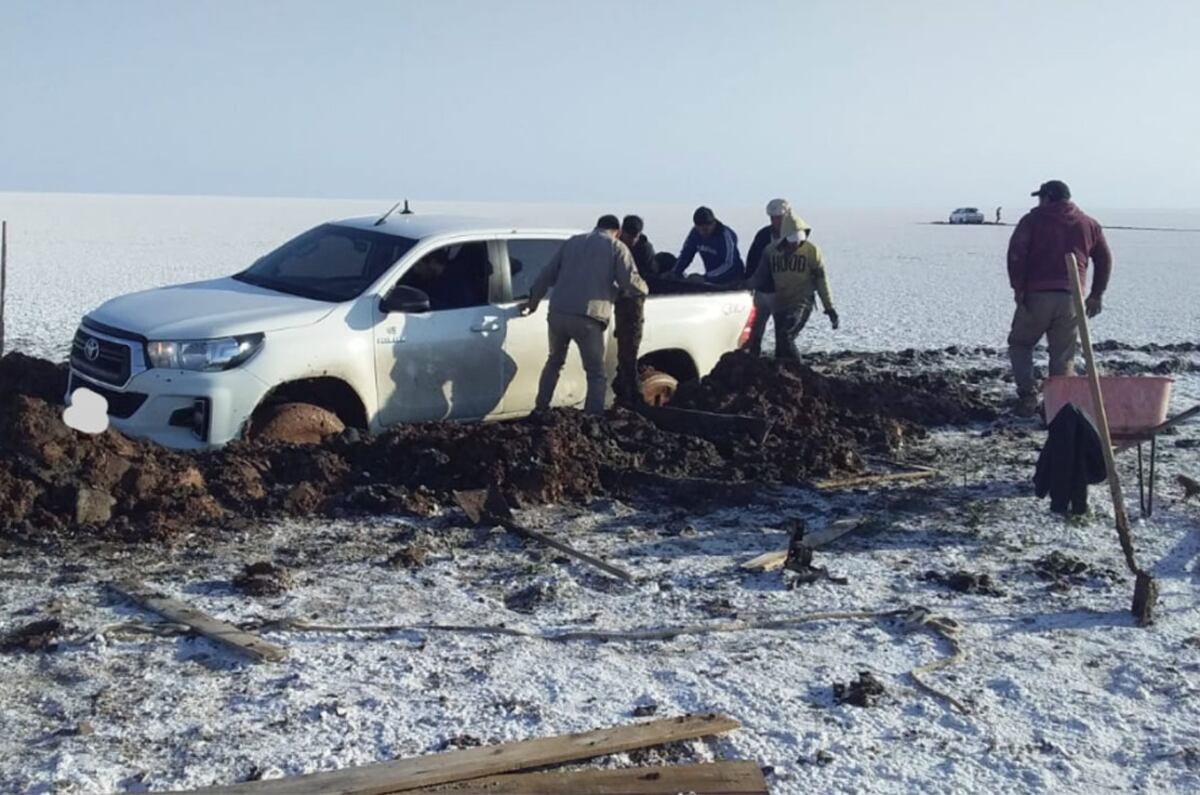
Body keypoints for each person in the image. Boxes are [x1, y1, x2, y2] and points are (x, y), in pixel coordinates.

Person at [1006, 180, 1112, 417]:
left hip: (1036, 295)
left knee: (1021, 343)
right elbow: (1104, 259)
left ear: (1048, 198)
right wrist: (1096, 294)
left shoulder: (1032, 221)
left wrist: (1018, 288)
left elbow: (1016, 254)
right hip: (1071, 298)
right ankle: (1058, 406)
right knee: (1063, 353)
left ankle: (1027, 395)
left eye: (1041, 197)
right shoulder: (1088, 223)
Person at [524, 215, 647, 415]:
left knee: (554, 362)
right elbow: (629, 282)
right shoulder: (616, 247)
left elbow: (546, 275)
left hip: (558, 313)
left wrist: (533, 302)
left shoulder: (572, 242)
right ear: (617, 231)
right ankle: (593, 419)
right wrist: (645, 289)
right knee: (595, 373)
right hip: (588, 318)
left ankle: (540, 409)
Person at [751, 208, 837, 360]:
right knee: (780, 346)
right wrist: (742, 285)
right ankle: (780, 373)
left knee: (786, 335)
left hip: (801, 301)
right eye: (791, 243)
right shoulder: (770, 251)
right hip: (781, 301)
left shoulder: (811, 252)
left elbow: (821, 280)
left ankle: (800, 372)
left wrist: (829, 307)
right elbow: (759, 276)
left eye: (798, 242)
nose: (795, 246)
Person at [613, 215, 656, 405]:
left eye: (635, 236)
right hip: (618, 300)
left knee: (629, 354)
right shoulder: (615, 246)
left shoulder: (645, 249)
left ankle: (632, 397)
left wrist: (640, 289)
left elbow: (650, 275)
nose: (632, 240)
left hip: (634, 302)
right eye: (630, 236)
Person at [743, 198, 790, 355]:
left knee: (781, 331)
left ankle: (781, 362)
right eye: (773, 217)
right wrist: (749, 282)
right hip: (762, 291)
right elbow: (752, 259)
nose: (775, 221)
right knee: (756, 328)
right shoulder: (763, 235)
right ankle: (753, 358)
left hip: (782, 293)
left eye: (779, 217)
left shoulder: (794, 237)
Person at [670, 206, 744, 285]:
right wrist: (675, 272)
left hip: (732, 280)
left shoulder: (725, 236)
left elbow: (729, 264)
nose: (705, 230)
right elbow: (686, 255)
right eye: (701, 227)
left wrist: (705, 278)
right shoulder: (695, 234)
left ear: (714, 222)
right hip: (711, 280)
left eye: (709, 225)